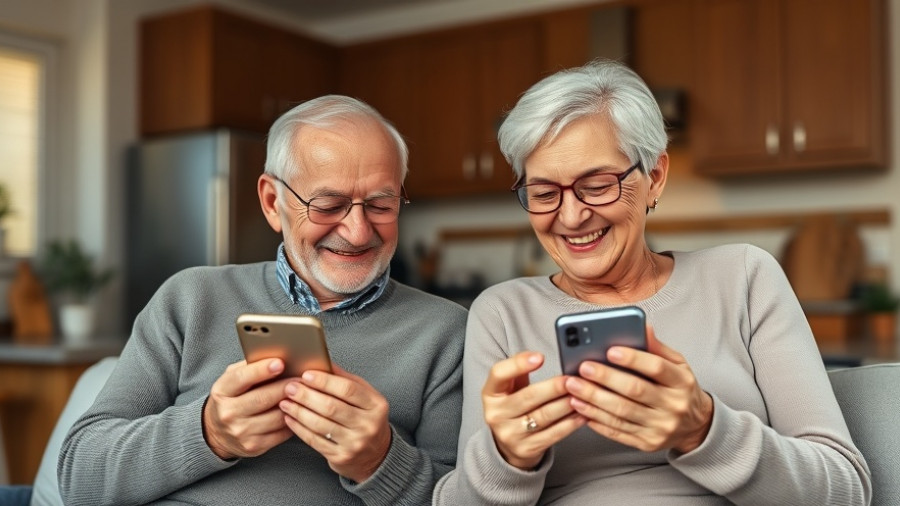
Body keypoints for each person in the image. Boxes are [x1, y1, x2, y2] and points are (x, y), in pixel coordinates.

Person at [433, 60, 871, 505]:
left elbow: (845, 490)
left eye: (598, 185)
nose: (570, 216)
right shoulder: (502, 313)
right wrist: (506, 456)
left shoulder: (743, 278)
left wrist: (704, 429)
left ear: (654, 178)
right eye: (544, 193)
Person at [59, 95, 467, 505]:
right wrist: (209, 433)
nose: (359, 232)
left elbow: (463, 498)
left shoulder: (448, 333)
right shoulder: (190, 299)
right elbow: (80, 478)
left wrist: (379, 462)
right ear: (273, 202)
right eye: (328, 205)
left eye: (381, 204)